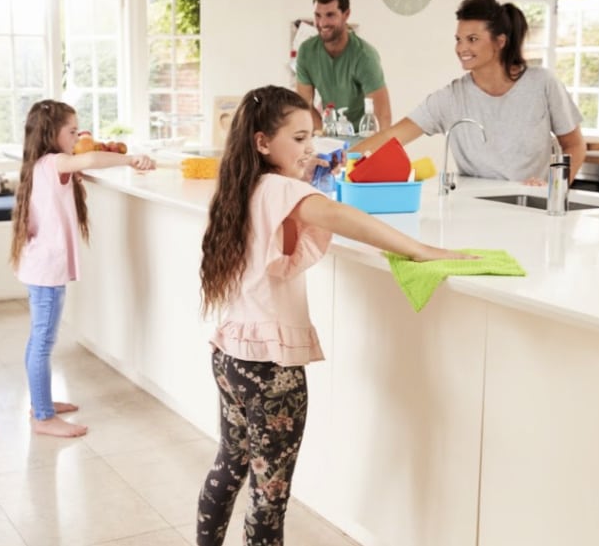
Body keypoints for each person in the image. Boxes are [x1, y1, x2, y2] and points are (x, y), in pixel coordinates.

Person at [195, 86, 472, 545]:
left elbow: (286, 230)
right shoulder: (282, 188)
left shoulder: (242, 185)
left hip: (231, 356)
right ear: (263, 143)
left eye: (312, 139)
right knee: (270, 495)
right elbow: (343, 216)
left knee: (230, 464)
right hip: (272, 371)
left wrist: (306, 176)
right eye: (300, 139)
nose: (310, 150)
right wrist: (421, 249)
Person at [10, 100, 155, 438]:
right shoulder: (54, 162)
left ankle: (40, 403)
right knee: (43, 341)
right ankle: (43, 417)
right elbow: (88, 159)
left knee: (39, 339)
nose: (77, 137)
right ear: (51, 133)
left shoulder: (41, 164)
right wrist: (132, 158)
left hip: (40, 266)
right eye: (72, 131)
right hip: (46, 270)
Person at [350, 0, 587, 184]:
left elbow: (574, 145)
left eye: (472, 39)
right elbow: (392, 137)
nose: (462, 47)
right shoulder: (451, 98)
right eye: (458, 39)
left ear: (500, 41)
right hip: (474, 205)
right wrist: (339, 159)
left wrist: (555, 188)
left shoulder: (542, 84)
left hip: (531, 203)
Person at [296, 0, 392, 133]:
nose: (322, 23)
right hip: (331, 132)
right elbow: (304, 105)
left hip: (363, 136)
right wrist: (325, 132)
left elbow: (383, 118)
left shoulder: (364, 56)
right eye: (317, 15)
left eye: (330, 15)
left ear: (346, 14)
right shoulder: (306, 52)